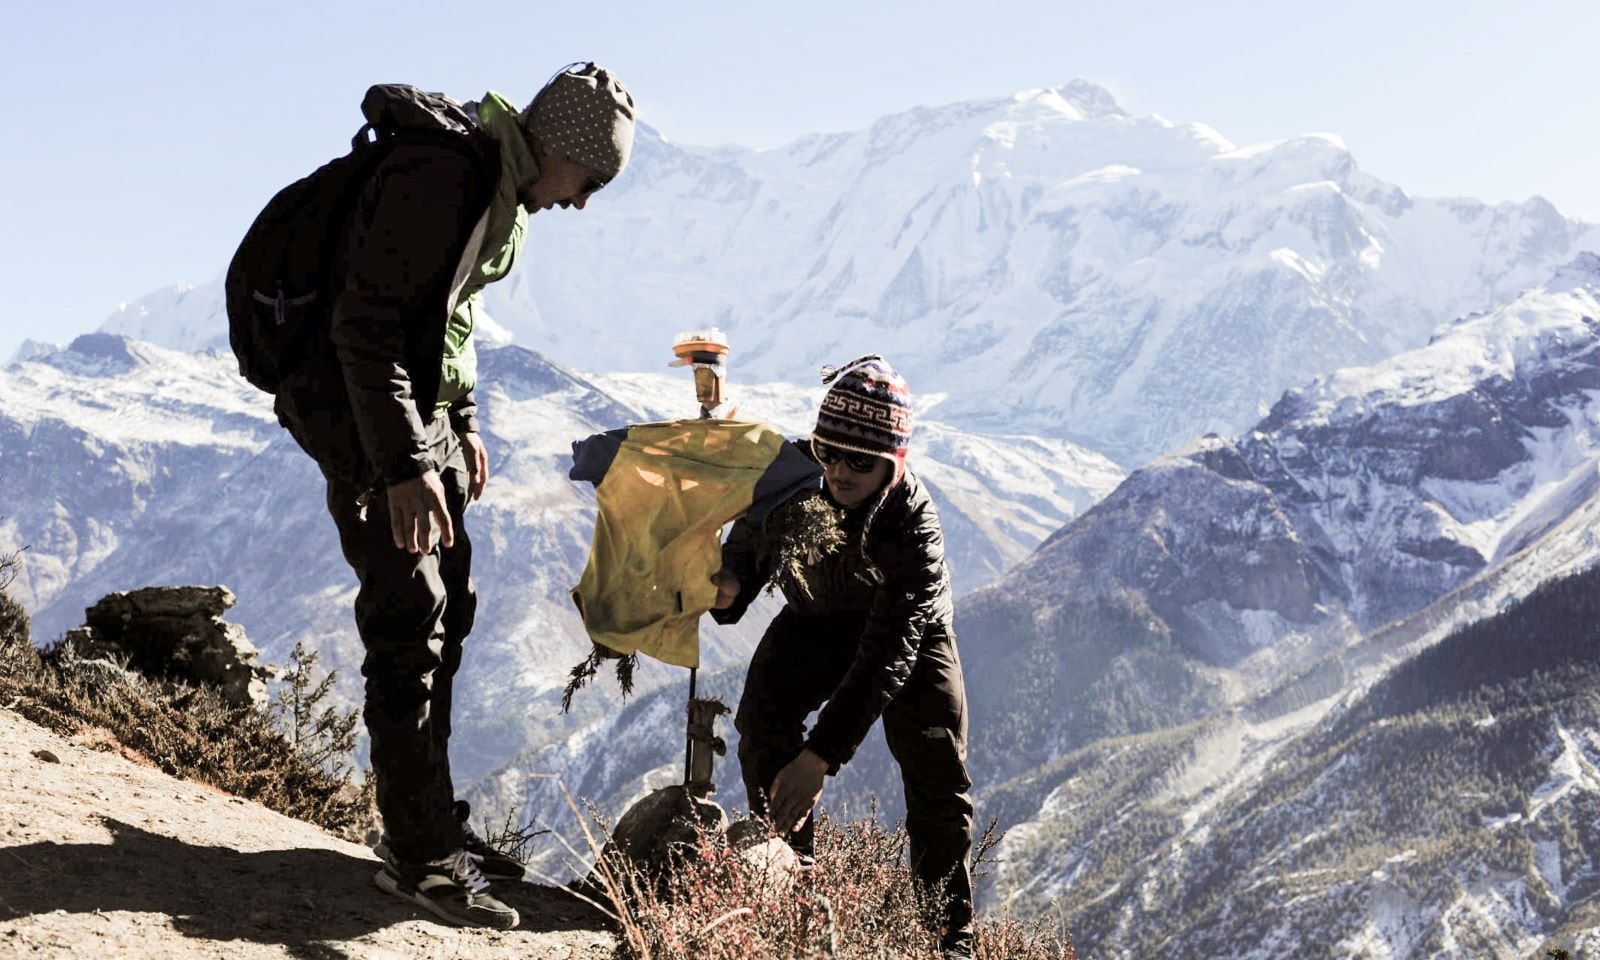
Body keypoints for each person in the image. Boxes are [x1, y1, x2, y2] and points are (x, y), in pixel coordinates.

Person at [273, 63, 636, 930]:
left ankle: (433, 827)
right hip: (372, 428)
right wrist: (401, 469)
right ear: (558, 148)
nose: (582, 202)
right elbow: (368, 328)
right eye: (589, 181)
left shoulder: (495, 189)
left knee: (450, 610)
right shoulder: (445, 178)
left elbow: (447, 318)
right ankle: (420, 859)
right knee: (410, 621)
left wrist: (461, 418)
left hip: (418, 423)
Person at [710, 355, 976, 959]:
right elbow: (750, 544)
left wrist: (820, 759)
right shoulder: (792, 476)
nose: (840, 471)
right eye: (829, 451)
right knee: (762, 721)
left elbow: (887, 655)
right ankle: (792, 884)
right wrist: (728, 588)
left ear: (894, 461)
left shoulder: (913, 526)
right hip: (818, 612)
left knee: (937, 769)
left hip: (910, 634)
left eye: (861, 460)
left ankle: (948, 939)